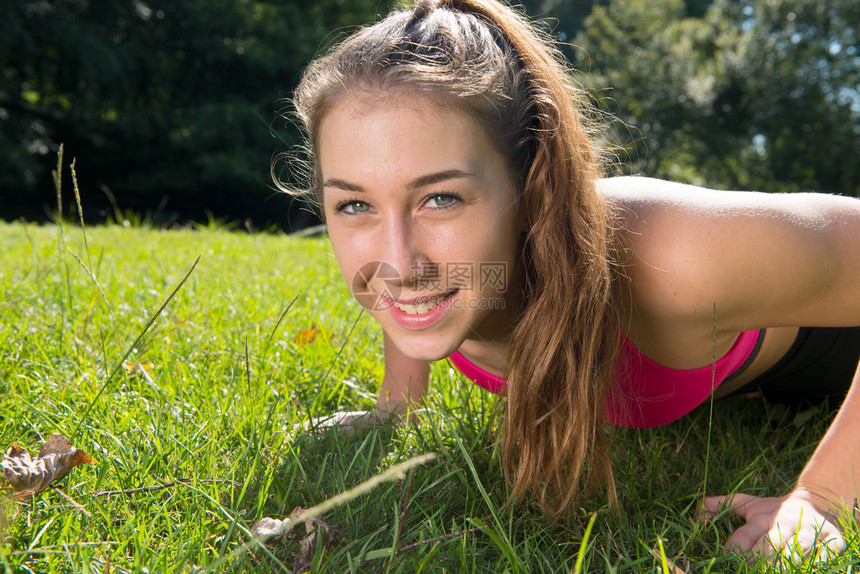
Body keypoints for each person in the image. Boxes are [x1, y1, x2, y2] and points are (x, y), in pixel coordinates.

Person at [277, 0, 860, 559]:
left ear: (532, 185)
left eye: (441, 198)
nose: (399, 264)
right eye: (355, 206)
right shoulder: (448, 275)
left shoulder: (662, 255)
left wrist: (824, 499)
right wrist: (397, 404)